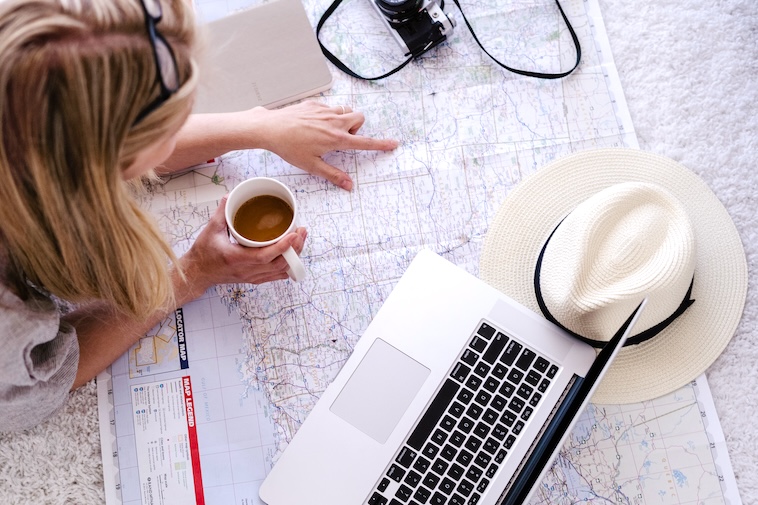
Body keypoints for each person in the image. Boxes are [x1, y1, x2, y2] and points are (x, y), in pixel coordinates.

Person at [0, 0, 398, 432]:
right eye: (174, 122)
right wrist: (193, 272)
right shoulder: (10, 318)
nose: (188, 125)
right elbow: (42, 384)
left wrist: (259, 127)